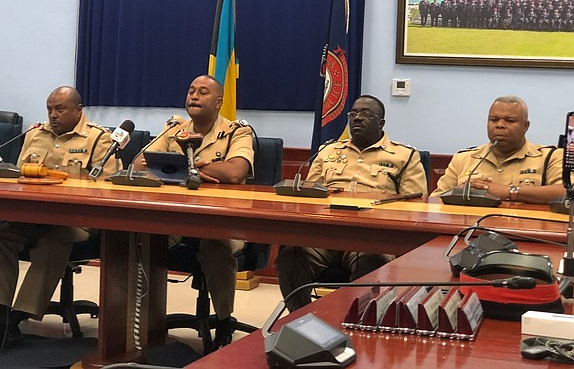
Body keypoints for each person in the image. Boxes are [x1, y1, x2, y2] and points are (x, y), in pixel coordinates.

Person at [0, 86, 117, 353]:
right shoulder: (35, 134)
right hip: (33, 217)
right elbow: (21, 176)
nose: (53, 115)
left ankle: (16, 320)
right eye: (49, 109)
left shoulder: (98, 139)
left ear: (78, 110)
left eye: (60, 109)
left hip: (75, 221)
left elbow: (106, 188)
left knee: (54, 241)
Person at [134, 74, 254, 350]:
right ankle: (142, 321)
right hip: (175, 218)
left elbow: (235, 172)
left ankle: (224, 321)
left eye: (202, 92)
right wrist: (201, 169)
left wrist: (184, 167)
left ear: (219, 102)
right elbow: (140, 164)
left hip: (222, 221)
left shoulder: (237, 132)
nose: (194, 96)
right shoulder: (174, 128)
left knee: (217, 248)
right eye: (190, 91)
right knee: (142, 240)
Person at [276, 95, 427, 312]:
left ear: (381, 123)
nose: (357, 119)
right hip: (325, 236)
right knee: (291, 256)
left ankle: (357, 324)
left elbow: (417, 206)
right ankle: (300, 319)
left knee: (373, 259)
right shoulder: (327, 151)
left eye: (366, 114)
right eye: (353, 114)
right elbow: (308, 195)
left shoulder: (404, 156)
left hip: (370, 237)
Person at [432, 96, 564, 204]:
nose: (500, 125)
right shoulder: (464, 158)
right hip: (469, 229)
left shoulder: (550, 157)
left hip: (523, 231)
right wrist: (458, 193)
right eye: (493, 120)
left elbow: (567, 192)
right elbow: (434, 201)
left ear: (525, 126)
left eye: (510, 120)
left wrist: (510, 191)